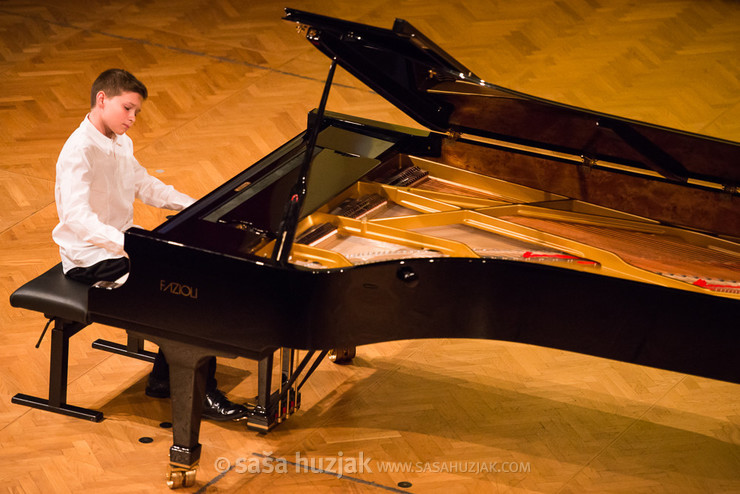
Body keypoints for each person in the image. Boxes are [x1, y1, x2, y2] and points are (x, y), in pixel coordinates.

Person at [51, 68, 248, 422]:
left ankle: (163, 379)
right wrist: (128, 244)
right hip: (90, 257)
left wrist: (197, 207)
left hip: (124, 243)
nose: (132, 118)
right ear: (102, 100)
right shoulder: (78, 152)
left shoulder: (120, 142)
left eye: (136, 112)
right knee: (183, 293)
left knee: (193, 276)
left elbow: (144, 184)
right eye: (127, 108)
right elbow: (77, 219)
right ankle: (198, 392)